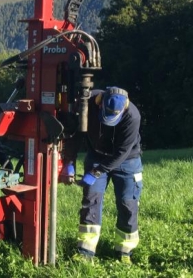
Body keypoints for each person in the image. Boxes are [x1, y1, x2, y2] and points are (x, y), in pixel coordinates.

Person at [76, 86, 143, 264]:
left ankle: (124, 251)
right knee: (91, 199)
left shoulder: (133, 116)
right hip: (96, 156)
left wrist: (96, 172)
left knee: (128, 203)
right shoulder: (88, 103)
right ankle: (86, 251)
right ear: (101, 105)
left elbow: (121, 153)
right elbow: (75, 132)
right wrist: (69, 160)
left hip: (127, 160)